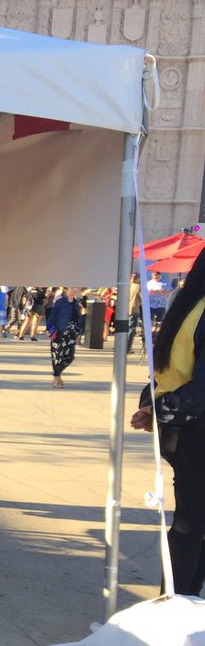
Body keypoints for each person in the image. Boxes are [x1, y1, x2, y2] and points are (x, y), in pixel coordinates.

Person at [130, 250, 205, 596]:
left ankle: (182, 601)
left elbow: (161, 370)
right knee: (191, 524)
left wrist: (154, 407)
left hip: (178, 429)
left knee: (192, 520)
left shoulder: (188, 305)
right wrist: (158, 409)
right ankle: (178, 602)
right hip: (193, 428)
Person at [47, 286, 82, 388]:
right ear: (66, 289)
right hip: (60, 331)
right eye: (72, 288)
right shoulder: (60, 302)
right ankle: (57, 378)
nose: (75, 290)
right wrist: (49, 329)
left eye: (76, 288)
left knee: (69, 357)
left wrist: (79, 330)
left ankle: (56, 374)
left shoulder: (76, 303)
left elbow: (78, 318)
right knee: (57, 356)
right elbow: (53, 316)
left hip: (72, 332)